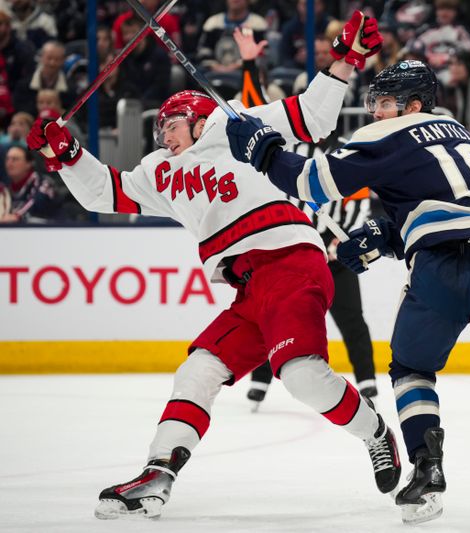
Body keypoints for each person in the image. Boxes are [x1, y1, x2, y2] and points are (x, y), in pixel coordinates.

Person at [26, 12, 401, 520]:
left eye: (172, 125)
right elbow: (105, 192)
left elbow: (313, 117)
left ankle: (376, 432)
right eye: (160, 129)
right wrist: (67, 155)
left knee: (303, 376)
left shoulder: (235, 124)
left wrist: (348, 59)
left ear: (200, 118)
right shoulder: (160, 172)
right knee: (196, 371)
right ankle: (158, 472)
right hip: (248, 289)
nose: (165, 136)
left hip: (292, 262)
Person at [226, 59, 470, 531]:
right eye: (373, 103)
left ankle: (426, 470)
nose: (375, 113)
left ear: (414, 105)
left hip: (443, 268)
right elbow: (445, 201)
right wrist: (383, 236)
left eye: (385, 103)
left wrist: (264, 151)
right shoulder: (457, 131)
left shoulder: (388, 135)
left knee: (412, 368)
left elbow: (309, 183)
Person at [231, 25, 378, 407]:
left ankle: (368, 384)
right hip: (296, 251)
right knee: (276, 317)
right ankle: (261, 381)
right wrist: (249, 62)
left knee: (352, 322)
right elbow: (251, 108)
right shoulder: (290, 145)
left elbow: (359, 202)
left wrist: (336, 241)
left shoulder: (349, 151)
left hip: (335, 253)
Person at [0, 144, 61, 223]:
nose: (9, 163)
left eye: (15, 159)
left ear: (29, 163)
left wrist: (18, 216)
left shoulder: (44, 182)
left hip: (51, 230)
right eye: (7, 159)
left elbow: (36, 203)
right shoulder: (5, 187)